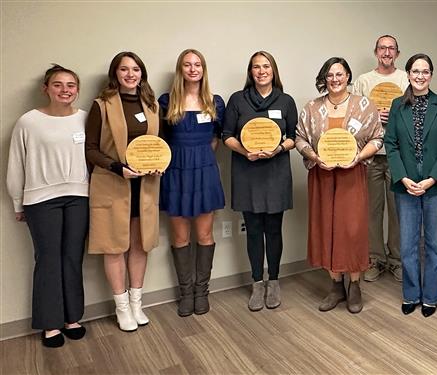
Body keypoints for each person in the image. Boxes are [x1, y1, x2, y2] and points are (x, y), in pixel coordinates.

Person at [6, 65, 89, 347]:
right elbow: (16, 164)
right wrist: (18, 201)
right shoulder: (28, 122)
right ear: (46, 89)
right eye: (58, 85)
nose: (65, 90)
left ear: (77, 89)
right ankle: (50, 323)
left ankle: (72, 318)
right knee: (48, 258)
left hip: (80, 197)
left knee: (72, 257)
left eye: (71, 85)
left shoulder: (85, 119)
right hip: (41, 200)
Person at [295, 57, 382, 314]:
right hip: (322, 176)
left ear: (348, 77)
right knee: (327, 228)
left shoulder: (364, 105)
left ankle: (354, 285)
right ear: (324, 78)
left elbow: (377, 137)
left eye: (339, 74)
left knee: (352, 229)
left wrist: (358, 156)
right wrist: (313, 157)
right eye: (330, 75)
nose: (335, 79)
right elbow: (300, 138)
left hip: (352, 175)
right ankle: (335, 286)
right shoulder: (312, 107)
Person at [85, 51, 161, 332]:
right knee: (115, 246)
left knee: (140, 244)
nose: (131, 74)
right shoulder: (101, 105)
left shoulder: (152, 105)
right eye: (124, 69)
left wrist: (158, 165)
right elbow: (90, 149)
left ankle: (137, 303)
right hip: (113, 183)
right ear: (115, 74)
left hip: (145, 187)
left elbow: (158, 145)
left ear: (142, 73)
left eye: (136, 69)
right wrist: (118, 167)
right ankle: (122, 308)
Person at [222, 51, 296, 311]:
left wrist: (278, 149)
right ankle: (257, 283)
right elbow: (227, 135)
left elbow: (293, 137)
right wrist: (245, 152)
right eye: (256, 67)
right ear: (250, 72)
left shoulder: (286, 101)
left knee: (274, 230)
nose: (261, 71)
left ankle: (273, 281)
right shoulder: (237, 100)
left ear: (273, 70)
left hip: (276, 171)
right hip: (247, 172)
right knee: (253, 231)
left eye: (266, 66)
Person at [384, 53, 437, 317]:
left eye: (425, 71)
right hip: (406, 185)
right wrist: (403, 177)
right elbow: (390, 144)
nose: (420, 76)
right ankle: (411, 294)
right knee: (408, 244)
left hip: (436, 185)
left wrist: (431, 179)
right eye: (416, 71)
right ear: (408, 74)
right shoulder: (396, 105)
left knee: (435, 243)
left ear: (431, 75)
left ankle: (432, 295)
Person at [159, 49, 226, 317]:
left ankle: (202, 291)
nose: (193, 69)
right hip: (175, 171)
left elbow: (217, 137)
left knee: (205, 235)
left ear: (203, 69)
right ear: (180, 69)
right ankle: (186, 294)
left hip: (205, 171)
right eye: (187, 64)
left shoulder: (214, 101)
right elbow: (160, 138)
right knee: (180, 236)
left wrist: (202, 156)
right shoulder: (166, 101)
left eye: (197, 64)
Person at [352, 34, 408, 283]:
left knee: (398, 211)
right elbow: (353, 115)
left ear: (397, 53)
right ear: (376, 52)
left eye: (391, 48)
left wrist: (394, 116)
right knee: (372, 211)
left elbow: (415, 113)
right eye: (382, 48)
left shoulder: (406, 78)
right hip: (371, 156)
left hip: (399, 155)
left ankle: (396, 260)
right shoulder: (364, 81)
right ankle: (375, 258)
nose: (386, 52)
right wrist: (375, 115)